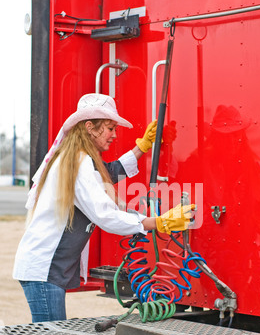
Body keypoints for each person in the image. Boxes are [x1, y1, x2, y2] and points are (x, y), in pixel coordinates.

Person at [13, 93, 194, 323]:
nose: (114, 135)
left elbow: (106, 175)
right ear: (90, 127)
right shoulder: (78, 163)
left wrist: (142, 147)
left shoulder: (78, 158)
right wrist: (157, 223)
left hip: (45, 269)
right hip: (43, 269)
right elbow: (105, 215)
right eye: (110, 128)